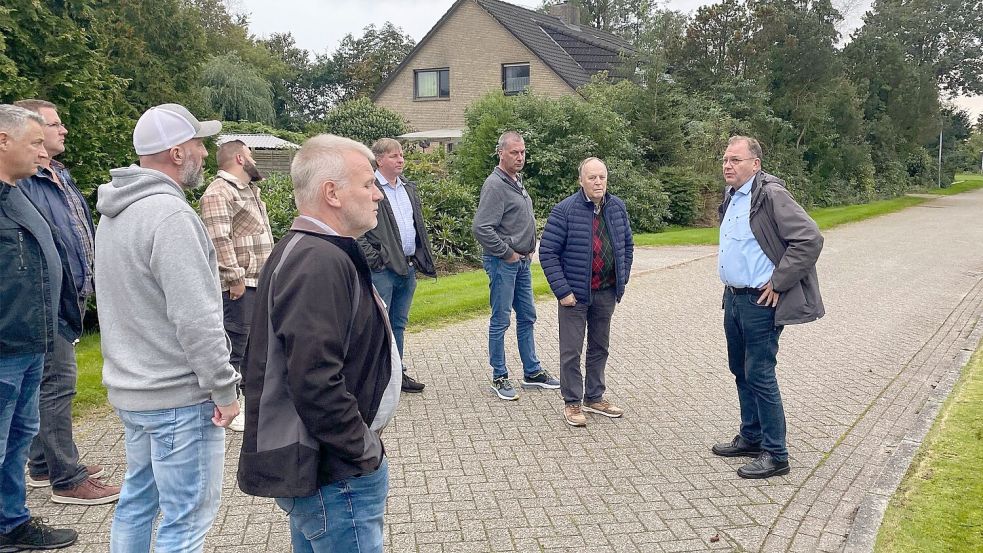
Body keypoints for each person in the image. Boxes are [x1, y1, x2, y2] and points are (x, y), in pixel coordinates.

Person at [238, 134, 401, 553]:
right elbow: (314, 379)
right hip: (335, 473)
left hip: (328, 468)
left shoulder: (312, 250)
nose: (377, 195)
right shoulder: (317, 261)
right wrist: (362, 451)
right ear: (332, 193)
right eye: (367, 184)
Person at [95, 103, 241, 552]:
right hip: (178, 397)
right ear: (177, 153)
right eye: (198, 142)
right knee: (186, 521)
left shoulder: (115, 211)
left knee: (137, 504)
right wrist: (224, 389)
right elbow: (197, 319)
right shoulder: (171, 216)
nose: (204, 150)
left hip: (134, 391)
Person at [14, 99, 119, 504]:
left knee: (50, 383)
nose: (64, 131)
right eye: (55, 125)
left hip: (70, 296)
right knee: (58, 385)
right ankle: (67, 477)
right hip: (48, 301)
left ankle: (42, 464)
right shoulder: (26, 181)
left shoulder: (57, 174)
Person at [711, 135, 824, 479]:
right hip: (733, 297)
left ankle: (776, 454)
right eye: (726, 160)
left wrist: (779, 280)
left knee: (759, 373)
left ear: (755, 164)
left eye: (736, 160)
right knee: (740, 370)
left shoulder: (771, 195)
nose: (728, 165)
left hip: (759, 302)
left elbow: (809, 238)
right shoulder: (732, 197)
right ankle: (752, 436)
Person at [0, 104, 80, 550]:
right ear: (2, 140)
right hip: (4, 348)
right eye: (34, 143)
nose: (41, 152)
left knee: (16, 443)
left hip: (32, 344)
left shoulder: (18, 193)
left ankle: (12, 525)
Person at [539, 157, 634, 427]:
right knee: (571, 351)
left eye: (602, 177)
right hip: (575, 296)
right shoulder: (564, 211)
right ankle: (572, 402)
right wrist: (562, 290)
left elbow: (627, 245)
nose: (598, 182)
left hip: (605, 292)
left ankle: (595, 397)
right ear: (581, 181)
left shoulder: (616, 208)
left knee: (599, 347)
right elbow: (547, 253)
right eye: (592, 177)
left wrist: (621, 278)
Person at [472, 131, 559, 400]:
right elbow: (481, 227)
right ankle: (499, 376)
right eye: (514, 152)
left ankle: (532, 372)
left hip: (521, 263)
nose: (520, 157)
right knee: (501, 320)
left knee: (528, 316)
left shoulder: (516, 181)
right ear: (501, 153)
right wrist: (507, 253)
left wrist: (527, 249)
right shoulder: (495, 185)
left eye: (522, 152)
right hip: (503, 264)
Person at [199, 139, 275, 431]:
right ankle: (228, 405)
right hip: (240, 286)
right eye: (251, 154)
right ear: (240, 158)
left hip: (258, 281)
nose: (254, 159)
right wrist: (235, 278)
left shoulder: (248, 190)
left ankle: (252, 402)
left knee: (255, 345)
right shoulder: (219, 192)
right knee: (235, 345)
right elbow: (219, 238)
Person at [357, 138, 436, 393]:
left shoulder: (408, 188)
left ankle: (396, 374)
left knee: (398, 324)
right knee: (379, 324)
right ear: (379, 160)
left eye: (401, 155)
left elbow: (416, 226)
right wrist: (376, 261)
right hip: (383, 271)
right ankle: (375, 379)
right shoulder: (369, 188)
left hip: (408, 268)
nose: (401, 160)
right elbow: (358, 231)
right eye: (394, 156)